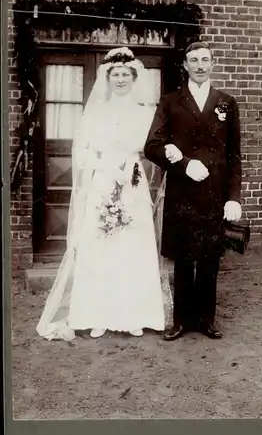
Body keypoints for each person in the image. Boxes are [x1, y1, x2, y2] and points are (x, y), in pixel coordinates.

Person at [36, 47, 167, 341]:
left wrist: (129, 166)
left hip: (132, 182)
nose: (120, 79)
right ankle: (98, 315)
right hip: (103, 181)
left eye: (125, 74)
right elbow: (82, 154)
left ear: (133, 78)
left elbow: (151, 148)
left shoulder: (145, 113)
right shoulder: (94, 112)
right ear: (107, 79)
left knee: (132, 244)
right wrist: (107, 165)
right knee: (101, 246)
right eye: (115, 75)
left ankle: (135, 315)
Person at [144, 41, 242, 341]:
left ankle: (206, 319)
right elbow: (151, 146)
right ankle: (182, 321)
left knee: (211, 257)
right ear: (185, 66)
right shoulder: (171, 101)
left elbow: (234, 155)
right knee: (185, 258)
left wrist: (234, 197)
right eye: (194, 60)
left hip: (214, 194)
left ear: (212, 64)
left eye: (205, 60)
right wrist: (184, 163)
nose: (200, 65)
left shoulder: (226, 102)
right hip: (183, 192)